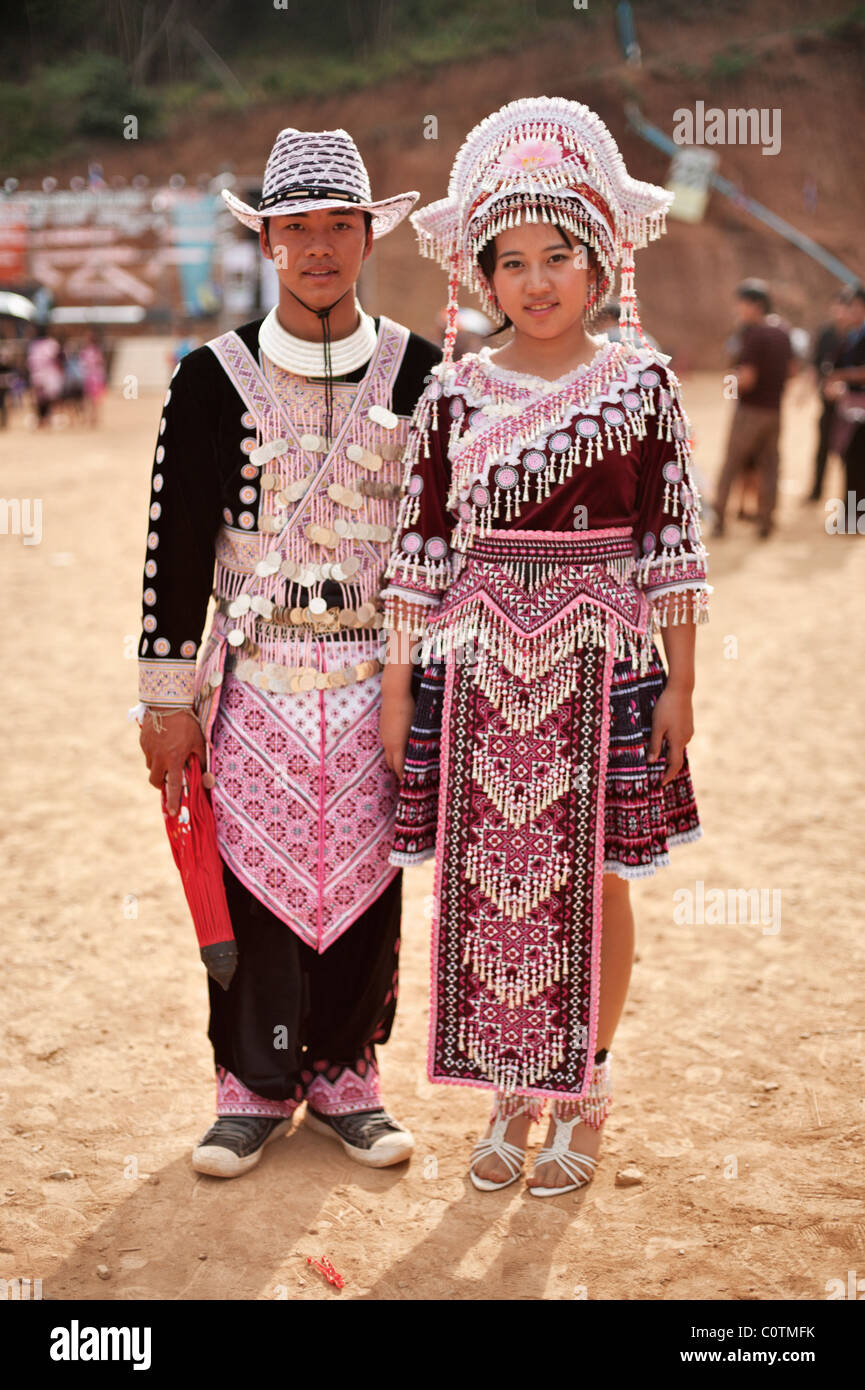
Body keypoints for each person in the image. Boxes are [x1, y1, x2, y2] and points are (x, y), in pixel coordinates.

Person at [379, 96, 711, 1196]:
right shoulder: (453, 396)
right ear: (481, 279)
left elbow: (670, 545)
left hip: (605, 660)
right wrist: (397, 684)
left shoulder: (640, 385)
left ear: (599, 260)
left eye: (556, 254)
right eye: (509, 261)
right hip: (476, 666)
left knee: (598, 877)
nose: (534, 280)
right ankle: (513, 1086)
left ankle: (587, 1085)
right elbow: (419, 554)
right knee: (490, 878)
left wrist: (681, 688)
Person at [135, 127, 440, 1177]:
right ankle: (251, 1086)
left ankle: (349, 1075)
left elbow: (442, 545)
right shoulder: (209, 381)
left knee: (367, 881)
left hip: (378, 678)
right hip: (256, 675)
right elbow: (173, 550)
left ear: (368, 237)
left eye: (338, 228)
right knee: (254, 886)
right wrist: (165, 698)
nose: (318, 248)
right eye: (296, 229)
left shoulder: (423, 375)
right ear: (267, 242)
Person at [711, 280, 794, 539]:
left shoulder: (755, 333)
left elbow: (747, 379)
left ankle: (719, 519)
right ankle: (766, 521)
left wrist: (730, 381)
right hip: (775, 410)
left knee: (731, 465)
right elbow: (793, 370)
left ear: (755, 305)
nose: (739, 309)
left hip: (750, 411)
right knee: (769, 468)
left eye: (742, 304)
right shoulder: (783, 331)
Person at [824, 285, 865, 511]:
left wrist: (841, 376)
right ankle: (852, 514)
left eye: (854, 306)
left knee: (858, 460)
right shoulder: (851, 336)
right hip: (851, 408)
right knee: (850, 459)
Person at [27, 322, 64, 428]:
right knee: (40, 400)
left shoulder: (48, 344)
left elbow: (58, 358)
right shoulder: (38, 344)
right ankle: (42, 419)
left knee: (48, 399)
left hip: (48, 375)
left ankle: (47, 418)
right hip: (41, 375)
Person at [78, 329, 107, 427]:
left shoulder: (96, 350)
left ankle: (94, 417)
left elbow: (100, 363)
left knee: (95, 399)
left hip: (95, 377)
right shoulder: (84, 351)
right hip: (87, 377)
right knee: (87, 399)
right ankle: (88, 417)